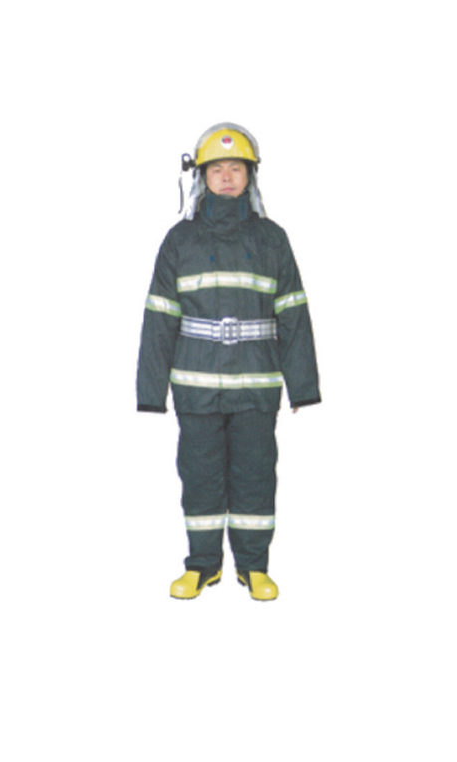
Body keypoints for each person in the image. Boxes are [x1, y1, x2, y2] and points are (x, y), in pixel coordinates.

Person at [136, 123, 321, 601]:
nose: (225, 177)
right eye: (216, 169)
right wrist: (151, 392)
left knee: (255, 476)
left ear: (250, 177)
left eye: (235, 168)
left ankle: (254, 567)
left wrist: (302, 385)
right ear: (201, 177)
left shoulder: (273, 239)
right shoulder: (180, 241)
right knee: (199, 476)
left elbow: (294, 314)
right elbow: (159, 319)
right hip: (196, 387)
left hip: (256, 386)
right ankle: (202, 566)